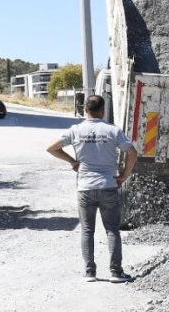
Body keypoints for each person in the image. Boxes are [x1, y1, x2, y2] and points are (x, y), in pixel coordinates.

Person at [46, 94, 138, 283]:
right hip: (108, 186)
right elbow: (132, 153)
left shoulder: (76, 130)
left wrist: (72, 161)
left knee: (87, 230)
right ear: (103, 110)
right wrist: (125, 175)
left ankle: (90, 272)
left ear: (85, 110)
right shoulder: (112, 130)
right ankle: (116, 272)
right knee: (112, 230)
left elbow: (51, 148)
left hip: (85, 188)